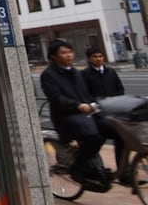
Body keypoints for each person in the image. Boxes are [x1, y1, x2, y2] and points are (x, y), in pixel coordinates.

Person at [40, 39, 122, 186]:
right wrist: (78, 106)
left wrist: (96, 106)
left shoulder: (76, 72)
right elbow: (56, 98)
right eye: (63, 53)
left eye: (70, 52)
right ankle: (77, 169)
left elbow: (86, 93)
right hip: (67, 116)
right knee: (94, 136)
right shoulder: (48, 75)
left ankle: (122, 171)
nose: (68, 55)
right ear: (53, 56)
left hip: (87, 112)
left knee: (119, 131)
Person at [81, 45, 131, 182]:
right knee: (100, 140)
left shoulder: (110, 71)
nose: (98, 59)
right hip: (97, 113)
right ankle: (97, 169)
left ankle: (123, 171)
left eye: (100, 56)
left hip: (114, 110)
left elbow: (120, 89)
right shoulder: (84, 74)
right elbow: (85, 94)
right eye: (95, 57)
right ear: (89, 59)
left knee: (123, 137)